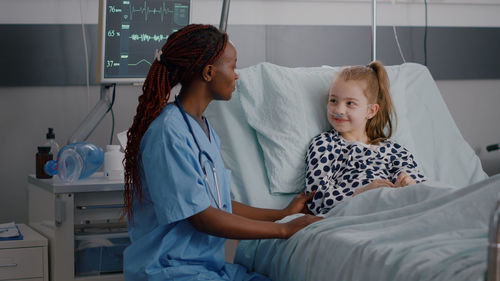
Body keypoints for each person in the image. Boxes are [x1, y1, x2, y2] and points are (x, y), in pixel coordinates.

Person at [122, 24, 321, 281]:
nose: (236, 75)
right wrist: (282, 230)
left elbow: (219, 205)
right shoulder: (168, 132)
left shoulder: (203, 129)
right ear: (208, 72)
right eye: (233, 66)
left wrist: (281, 214)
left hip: (206, 268)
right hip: (170, 270)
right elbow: (203, 218)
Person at [304, 61, 427, 215]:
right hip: (358, 212)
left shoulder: (392, 149)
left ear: (371, 111)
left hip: (396, 208)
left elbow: (421, 186)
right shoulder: (325, 144)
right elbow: (315, 199)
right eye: (333, 100)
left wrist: (408, 182)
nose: (339, 110)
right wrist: (363, 192)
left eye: (350, 103)